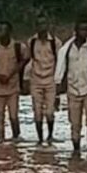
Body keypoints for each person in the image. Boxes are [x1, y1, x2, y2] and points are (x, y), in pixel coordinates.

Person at [54, 22, 87, 152]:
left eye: (86, 29)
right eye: (81, 29)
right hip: (72, 90)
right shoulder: (67, 50)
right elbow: (62, 70)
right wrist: (57, 94)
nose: (84, 32)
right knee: (74, 124)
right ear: (76, 31)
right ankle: (76, 151)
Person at [0, 21, 27, 142]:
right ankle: (0, 142)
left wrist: (14, 74)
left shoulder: (18, 47)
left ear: (9, 32)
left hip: (13, 88)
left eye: (3, 30)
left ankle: (16, 140)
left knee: (14, 117)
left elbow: (25, 59)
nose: (0, 33)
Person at [28, 15, 62, 143]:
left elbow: (60, 62)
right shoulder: (31, 42)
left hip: (50, 80)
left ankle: (50, 135)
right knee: (37, 112)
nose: (42, 27)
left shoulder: (55, 43)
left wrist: (59, 83)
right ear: (36, 26)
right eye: (39, 24)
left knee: (49, 112)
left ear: (47, 26)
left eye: (44, 24)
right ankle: (40, 138)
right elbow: (30, 61)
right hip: (35, 80)